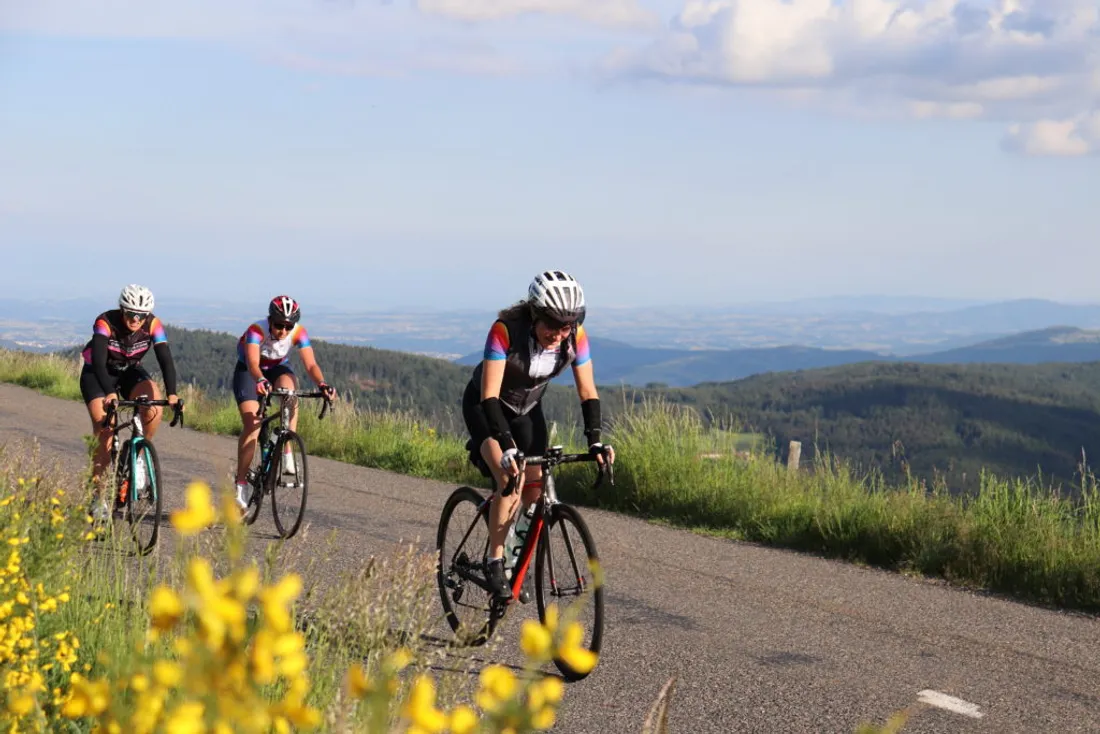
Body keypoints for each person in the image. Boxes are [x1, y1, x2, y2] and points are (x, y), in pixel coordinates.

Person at [463, 270, 614, 600]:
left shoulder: (575, 336)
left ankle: (519, 560)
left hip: (528, 411)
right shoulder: (505, 331)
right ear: (534, 313)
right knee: (511, 479)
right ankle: (495, 561)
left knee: (535, 493)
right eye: (551, 324)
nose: (559, 334)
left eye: (567, 325)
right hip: (486, 407)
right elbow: (489, 395)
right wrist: (505, 447)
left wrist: (595, 440)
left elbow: (587, 390)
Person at [80, 284, 180, 520]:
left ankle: (139, 455)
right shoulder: (105, 322)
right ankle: (99, 498)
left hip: (129, 371)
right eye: (130, 314)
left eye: (141, 315)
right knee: (105, 430)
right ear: (122, 309)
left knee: (153, 404)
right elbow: (99, 360)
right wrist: (109, 392)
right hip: (98, 373)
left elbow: (165, 358)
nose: (135, 319)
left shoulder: (153, 324)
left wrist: (173, 394)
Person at [232, 295, 336, 509]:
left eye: (289, 327)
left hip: (278, 368)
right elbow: (253, 363)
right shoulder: (256, 331)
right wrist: (259, 379)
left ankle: (286, 447)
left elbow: (310, 365)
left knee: (290, 392)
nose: (283, 332)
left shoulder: (299, 333)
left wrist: (323, 385)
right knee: (252, 425)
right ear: (270, 319)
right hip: (250, 371)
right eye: (279, 325)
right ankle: (240, 485)